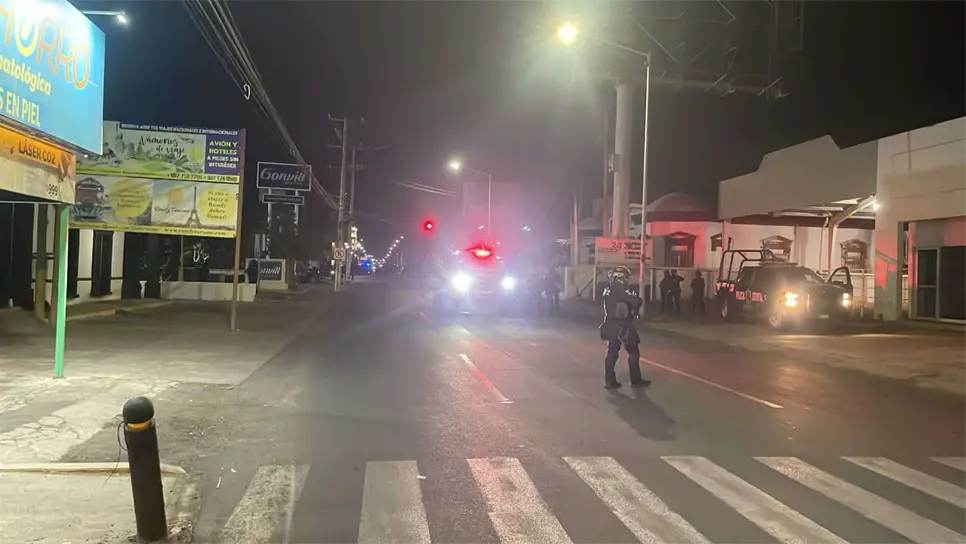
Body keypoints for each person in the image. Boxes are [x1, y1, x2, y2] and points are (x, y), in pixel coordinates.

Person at [600, 266, 651, 389]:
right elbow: (636, 301)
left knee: (612, 352)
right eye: (625, 277)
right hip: (623, 325)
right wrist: (635, 299)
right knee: (633, 352)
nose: (627, 280)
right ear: (620, 277)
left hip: (611, 324)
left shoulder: (608, 289)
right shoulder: (619, 289)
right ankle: (635, 379)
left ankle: (609, 380)